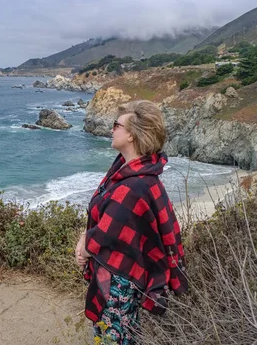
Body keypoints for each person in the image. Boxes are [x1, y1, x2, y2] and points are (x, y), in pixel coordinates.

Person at [75, 100, 188, 345]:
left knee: (114, 337)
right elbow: (107, 224)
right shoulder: (130, 173)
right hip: (119, 273)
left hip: (120, 278)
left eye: (117, 125)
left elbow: (108, 232)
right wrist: (85, 238)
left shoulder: (136, 185)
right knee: (119, 334)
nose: (111, 130)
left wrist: (85, 245)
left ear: (132, 136)